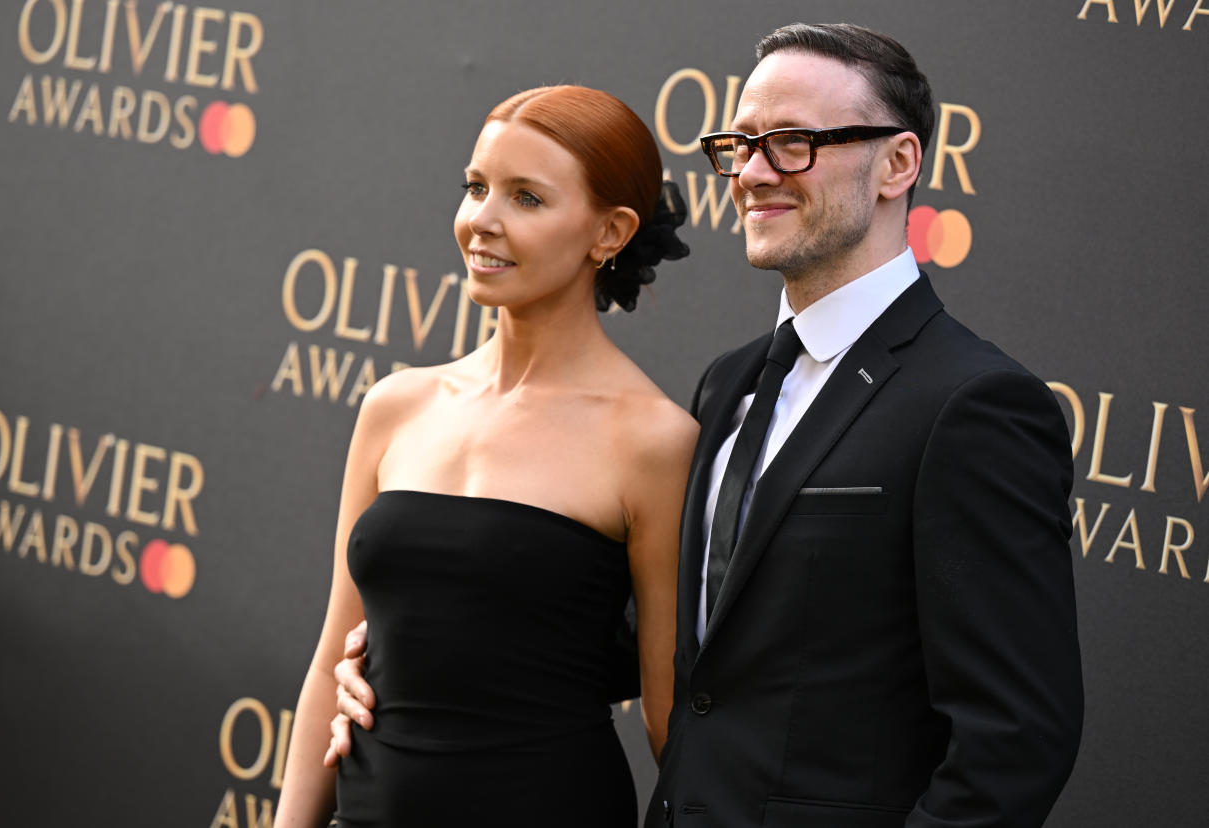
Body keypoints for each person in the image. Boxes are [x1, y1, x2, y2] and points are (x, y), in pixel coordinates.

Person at [333, 21, 1084, 828]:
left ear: (898, 163)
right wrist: (408, 658)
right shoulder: (729, 385)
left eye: (794, 143)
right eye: (741, 143)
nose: (755, 172)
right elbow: (674, 650)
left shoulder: (972, 405)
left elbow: (1015, 740)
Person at [273, 84, 697, 828]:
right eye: (476, 188)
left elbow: (670, 719)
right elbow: (329, 660)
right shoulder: (395, 406)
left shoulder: (653, 440)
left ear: (611, 232)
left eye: (527, 198)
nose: (482, 222)